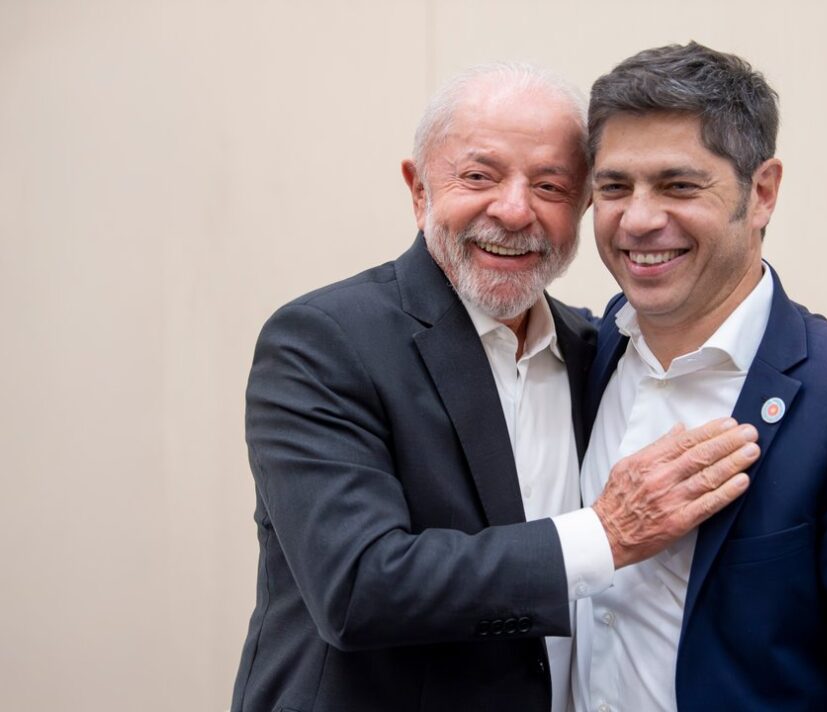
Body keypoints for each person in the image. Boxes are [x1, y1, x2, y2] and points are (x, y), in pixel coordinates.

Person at [230, 63, 761, 712]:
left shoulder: (594, 349)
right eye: (479, 177)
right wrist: (607, 534)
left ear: (583, 207)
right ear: (419, 190)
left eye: (550, 186)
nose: (514, 211)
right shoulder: (323, 341)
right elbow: (358, 588)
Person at [572, 43, 827, 712]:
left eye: (678, 185)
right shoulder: (583, 353)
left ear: (762, 193)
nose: (637, 219)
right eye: (614, 188)